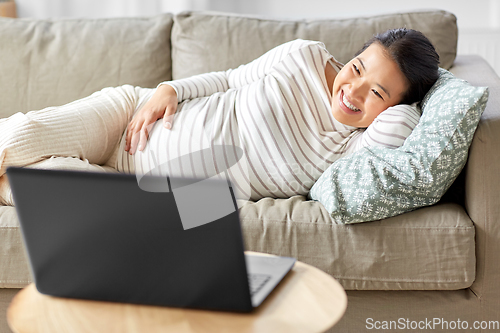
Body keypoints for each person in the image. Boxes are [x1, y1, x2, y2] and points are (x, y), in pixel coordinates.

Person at [0, 28, 439, 205]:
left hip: (151, 197)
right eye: (358, 67)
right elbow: (230, 78)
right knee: (20, 136)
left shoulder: (356, 148)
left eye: (377, 92)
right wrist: (170, 89)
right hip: (130, 118)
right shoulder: (304, 57)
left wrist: (408, 106)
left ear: (397, 106)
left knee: (43, 189)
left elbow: (398, 130)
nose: (352, 89)